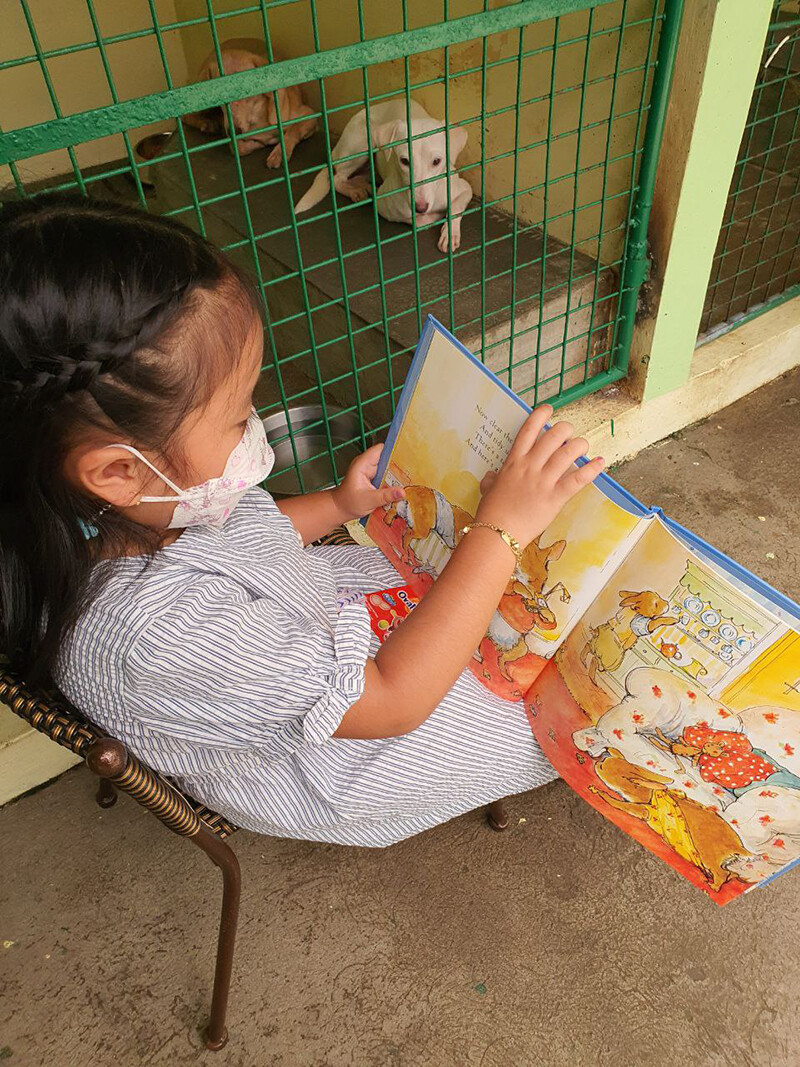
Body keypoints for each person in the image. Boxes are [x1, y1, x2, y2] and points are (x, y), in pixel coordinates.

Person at [0, 195, 604, 846]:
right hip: (340, 746)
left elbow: (251, 544)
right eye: (236, 417)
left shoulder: (106, 512)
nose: (255, 425)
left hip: (314, 627)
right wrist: (499, 531)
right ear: (116, 472)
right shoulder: (155, 636)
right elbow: (392, 701)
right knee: (568, 710)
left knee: (523, 595)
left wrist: (338, 507)